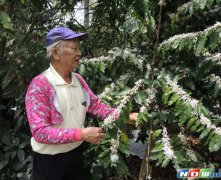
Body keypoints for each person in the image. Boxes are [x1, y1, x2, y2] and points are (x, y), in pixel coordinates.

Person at [25, 27, 138, 180]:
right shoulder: (40, 85)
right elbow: (40, 132)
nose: (79, 53)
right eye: (74, 48)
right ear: (56, 53)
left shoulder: (78, 80)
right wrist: (81, 134)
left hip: (75, 155)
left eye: (79, 48)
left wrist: (126, 116)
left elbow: (97, 106)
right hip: (49, 163)